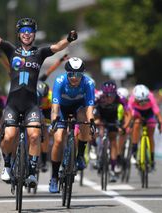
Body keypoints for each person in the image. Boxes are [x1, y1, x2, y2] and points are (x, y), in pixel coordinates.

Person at [0, 16, 77, 187]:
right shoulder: (11, 49)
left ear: (34, 34)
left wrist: (69, 39)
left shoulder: (40, 52)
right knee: (9, 136)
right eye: (23, 32)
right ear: (18, 34)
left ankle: (32, 172)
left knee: (34, 136)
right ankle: (8, 166)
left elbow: (57, 47)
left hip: (32, 104)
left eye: (30, 32)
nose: (26, 34)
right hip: (13, 104)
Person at [49, 57, 95, 193]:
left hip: (79, 108)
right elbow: (55, 106)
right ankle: (54, 177)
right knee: (58, 140)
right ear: (66, 74)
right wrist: (54, 119)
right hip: (62, 109)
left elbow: (89, 106)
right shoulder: (59, 81)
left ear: (83, 74)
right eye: (71, 75)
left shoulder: (89, 83)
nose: (75, 78)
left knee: (85, 120)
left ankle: (80, 154)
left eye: (78, 75)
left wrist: (91, 121)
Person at [95, 81, 132, 182]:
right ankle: (97, 151)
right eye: (107, 95)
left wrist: (124, 126)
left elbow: (129, 114)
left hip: (113, 116)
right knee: (97, 128)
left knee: (113, 140)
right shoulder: (98, 97)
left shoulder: (121, 98)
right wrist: (92, 121)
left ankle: (112, 167)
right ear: (103, 94)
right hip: (100, 114)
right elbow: (89, 109)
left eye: (112, 95)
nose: (109, 97)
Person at [128, 84, 162, 170]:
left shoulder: (151, 97)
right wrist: (129, 125)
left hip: (149, 113)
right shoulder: (132, 99)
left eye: (144, 101)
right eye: (140, 101)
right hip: (137, 113)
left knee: (150, 134)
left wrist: (160, 124)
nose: (143, 103)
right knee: (136, 124)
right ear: (135, 98)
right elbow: (130, 115)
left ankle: (152, 158)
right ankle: (134, 150)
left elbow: (158, 114)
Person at [37, 81, 51, 172]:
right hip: (36, 108)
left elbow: (55, 111)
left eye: (44, 97)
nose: (43, 99)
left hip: (47, 112)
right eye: (41, 97)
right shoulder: (34, 95)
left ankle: (44, 160)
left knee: (45, 132)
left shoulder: (51, 97)